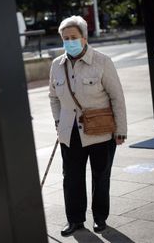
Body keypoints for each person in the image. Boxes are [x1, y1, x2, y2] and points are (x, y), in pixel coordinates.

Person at [48, 16, 127, 236]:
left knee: (100, 176)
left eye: (73, 37)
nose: (69, 42)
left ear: (84, 38)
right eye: (65, 38)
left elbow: (117, 98)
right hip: (69, 131)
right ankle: (74, 220)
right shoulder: (56, 65)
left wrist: (121, 130)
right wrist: (57, 121)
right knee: (71, 178)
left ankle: (100, 218)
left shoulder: (102, 62)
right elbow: (53, 97)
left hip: (100, 131)